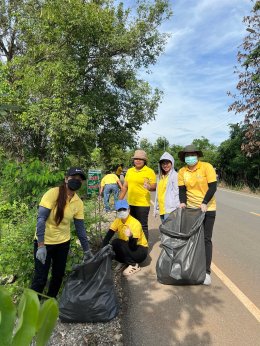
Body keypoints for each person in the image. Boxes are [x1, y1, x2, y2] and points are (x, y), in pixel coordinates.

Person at [31, 167, 92, 298]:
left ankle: (50, 303)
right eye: (74, 178)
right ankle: (30, 308)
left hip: (63, 243)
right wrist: (41, 245)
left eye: (80, 179)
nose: (77, 181)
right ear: (66, 179)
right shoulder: (53, 193)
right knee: (40, 278)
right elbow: (41, 219)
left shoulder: (78, 202)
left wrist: (87, 250)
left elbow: (80, 228)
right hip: (45, 242)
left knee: (58, 275)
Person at [178, 145, 217, 286]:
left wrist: (205, 202)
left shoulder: (207, 167)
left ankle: (206, 272)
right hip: (191, 209)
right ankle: (192, 266)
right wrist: (182, 203)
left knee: (206, 239)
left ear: (197, 155)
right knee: (192, 238)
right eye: (187, 155)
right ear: (184, 157)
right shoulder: (182, 171)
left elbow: (213, 186)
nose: (190, 157)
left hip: (207, 208)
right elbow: (182, 189)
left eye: (192, 154)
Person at [102, 200, 148, 275]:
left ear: (129, 210)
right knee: (112, 246)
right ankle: (124, 262)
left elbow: (133, 246)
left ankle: (134, 265)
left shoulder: (135, 223)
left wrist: (130, 236)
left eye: (124, 209)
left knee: (116, 242)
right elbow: (108, 237)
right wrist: (102, 252)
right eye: (120, 210)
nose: (122, 211)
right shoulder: (117, 221)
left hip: (140, 250)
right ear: (117, 211)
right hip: (129, 247)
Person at [119, 149, 156, 240]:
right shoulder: (130, 171)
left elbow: (154, 187)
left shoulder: (149, 171)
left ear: (144, 161)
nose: (138, 161)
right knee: (131, 225)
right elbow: (125, 187)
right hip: (130, 204)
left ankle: (144, 248)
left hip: (143, 205)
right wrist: (119, 201)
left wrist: (149, 187)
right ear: (133, 160)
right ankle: (134, 246)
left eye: (140, 159)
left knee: (142, 226)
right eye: (136, 159)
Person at [154, 152, 180, 222]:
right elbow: (159, 193)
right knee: (165, 231)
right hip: (162, 209)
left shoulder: (175, 176)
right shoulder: (160, 177)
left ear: (172, 163)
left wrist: (177, 209)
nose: (165, 165)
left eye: (167, 163)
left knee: (170, 231)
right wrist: (156, 208)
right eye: (163, 163)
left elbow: (177, 192)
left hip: (171, 210)